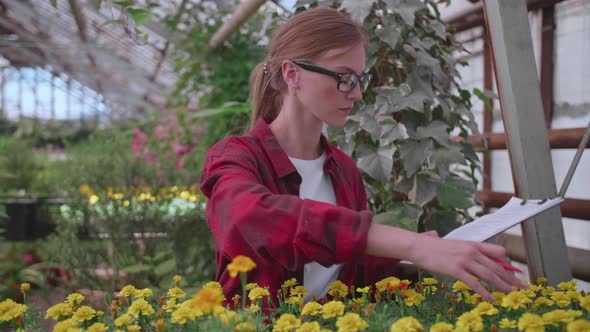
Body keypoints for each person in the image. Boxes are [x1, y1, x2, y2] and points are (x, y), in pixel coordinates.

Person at [199, 7, 527, 306]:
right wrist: (410, 246)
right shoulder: (236, 157)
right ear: (292, 74)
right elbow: (248, 219)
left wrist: (420, 258)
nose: (356, 93)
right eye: (344, 77)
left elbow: (354, 273)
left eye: (360, 79)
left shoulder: (343, 170)